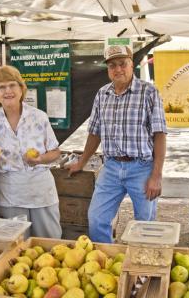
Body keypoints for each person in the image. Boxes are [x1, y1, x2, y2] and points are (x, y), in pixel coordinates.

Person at [66, 45, 167, 243]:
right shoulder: (102, 94)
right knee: (97, 219)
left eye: (122, 64)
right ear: (108, 70)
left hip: (141, 168)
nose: (118, 69)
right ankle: (105, 263)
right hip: (111, 167)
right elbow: (94, 133)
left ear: (132, 65)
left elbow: (160, 135)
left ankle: (141, 270)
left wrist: (156, 176)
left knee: (144, 225)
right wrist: (81, 162)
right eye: (112, 65)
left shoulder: (149, 92)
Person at [0, 65, 62, 239]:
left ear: (21, 88)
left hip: (41, 192)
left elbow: (55, 152)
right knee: (16, 248)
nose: (8, 91)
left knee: (50, 244)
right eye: (1, 87)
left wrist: (40, 159)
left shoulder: (39, 117)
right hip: (9, 193)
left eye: (12, 85)